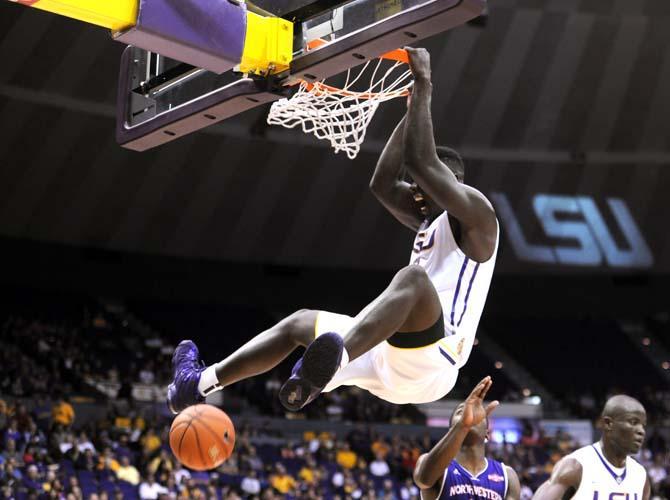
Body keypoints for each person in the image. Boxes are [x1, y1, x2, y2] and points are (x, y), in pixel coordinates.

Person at [167, 46, 499, 414]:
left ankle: (333, 360)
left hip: (435, 362)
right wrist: (410, 110)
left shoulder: (478, 218)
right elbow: (383, 183)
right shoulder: (427, 221)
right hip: (387, 358)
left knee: (413, 280)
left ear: (453, 184)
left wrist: (424, 84)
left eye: (423, 189)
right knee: (298, 323)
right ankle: (196, 384)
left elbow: (420, 162)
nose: (415, 196)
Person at [414, 376, 520, 500]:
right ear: (452, 431)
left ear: (487, 433)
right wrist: (463, 426)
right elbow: (423, 480)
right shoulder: (435, 466)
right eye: (461, 413)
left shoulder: (507, 476)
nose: (469, 416)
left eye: (475, 413)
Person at [532, 395, 650, 500]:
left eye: (643, 425)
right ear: (608, 423)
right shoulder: (575, 467)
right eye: (633, 422)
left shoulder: (640, 475)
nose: (641, 431)